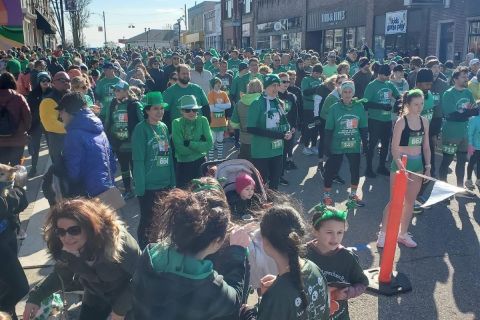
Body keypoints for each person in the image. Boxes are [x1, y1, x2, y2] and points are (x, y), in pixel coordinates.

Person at [132, 188, 249, 320]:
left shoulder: (150, 254)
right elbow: (235, 300)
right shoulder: (211, 288)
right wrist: (237, 252)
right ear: (216, 241)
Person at [22, 198, 141, 320]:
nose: (66, 237)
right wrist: (36, 297)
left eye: (74, 230)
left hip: (130, 300)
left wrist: (119, 312)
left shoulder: (120, 245)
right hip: (95, 295)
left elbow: (139, 281)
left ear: (90, 228)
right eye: (60, 231)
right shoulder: (66, 248)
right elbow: (62, 275)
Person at [253, 205, 330, 319]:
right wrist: (278, 284)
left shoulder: (277, 296)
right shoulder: (314, 268)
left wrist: (249, 311)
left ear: (266, 242)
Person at [377, 89, 431, 248]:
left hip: (418, 166)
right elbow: (394, 148)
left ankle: (403, 234)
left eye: (421, 104)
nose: (419, 107)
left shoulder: (424, 121)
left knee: (409, 202)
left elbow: (426, 146)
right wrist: (401, 166)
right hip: (401, 166)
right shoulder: (401, 122)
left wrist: (428, 167)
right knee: (395, 201)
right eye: (416, 104)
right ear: (407, 104)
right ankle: (383, 234)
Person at [306, 204, 369, 320]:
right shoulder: (303, 254)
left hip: (339, 316)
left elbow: (362, 282)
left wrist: (349, 292)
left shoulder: (347, 258)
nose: (335, 238)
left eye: (340, 232)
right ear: (315, 231)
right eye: (329, 232)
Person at [132, 91, 175, 249]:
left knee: (161, 220)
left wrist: (172, 180)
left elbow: (168, 156)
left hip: (164, 184)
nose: (160, 112)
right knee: (147, 221)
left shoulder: (163, 127)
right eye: (156, 108)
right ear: (147, 110)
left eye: (161, 108)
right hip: (149, 186)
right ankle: (144, 250)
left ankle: (156, 247)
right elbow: (138, 160)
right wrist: (140, 187)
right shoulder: (140, 129)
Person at [57, 92, 116, 197]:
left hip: (89, 193)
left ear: (68, 111)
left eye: (61, 112)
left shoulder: (73, 135)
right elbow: (112, 162)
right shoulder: (98, 128)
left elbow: (73, 172)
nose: (60, 116)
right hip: (107, 187)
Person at [322, 81, 368, 207]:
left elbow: (363, 126)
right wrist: (326, 146)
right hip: (337, 144)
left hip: (353, 144)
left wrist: (365, 143)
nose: (347, 94)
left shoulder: (359, 107)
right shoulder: (334, 108)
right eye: (345, 92)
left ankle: (353, 196)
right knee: (331, 170)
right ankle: (327, 196)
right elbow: (328, 129)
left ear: (353, 93)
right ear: (340, 93)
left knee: (355, 170)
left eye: (350, 92)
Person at [247, 74, 292, 190]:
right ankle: (259, 206)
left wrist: (288, 131)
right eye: (273, 85)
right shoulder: (256, 103)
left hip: (277, 150)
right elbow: (251, 129)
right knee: (260, 184)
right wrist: (278, 135)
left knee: (275, 183)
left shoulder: (278, 102)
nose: (276, 88)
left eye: (278, 85)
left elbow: (285, 122)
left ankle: (273, 205)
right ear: (265, 87)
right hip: (261, 151)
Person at [439, 67, 478, 192]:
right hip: (451, 133)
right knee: (447, 160)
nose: (466, 79)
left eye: (466, 76)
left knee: (461, 161)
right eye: (463, 77)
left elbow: (476, 111)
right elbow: (451, 115)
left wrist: (464, 113)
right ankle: (443, 189)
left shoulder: (468, 93)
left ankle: (460, 188)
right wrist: (467, 113)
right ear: (455, 79)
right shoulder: (448, 93)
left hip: (464, 133)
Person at [104, 80, 143, 200]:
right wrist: (107, 137)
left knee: (135, 168)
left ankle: (139, 189)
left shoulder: (134, 104)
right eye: (114, 90)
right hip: (119, 144)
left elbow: (142, 122)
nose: (115, 92)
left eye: (118, 90)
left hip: (133, 144)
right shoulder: (112, 103)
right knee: (124, 168)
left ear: (126, 91)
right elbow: (108, 121)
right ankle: (128, 190)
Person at [0, 167, 29, 320]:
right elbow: (4, 205)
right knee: (19, 287)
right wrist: (19, 189)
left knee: (6, 287)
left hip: (6, 233)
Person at [363, 64, 401, 178]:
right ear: (379, 74)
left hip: (387, 120)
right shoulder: (372, 85)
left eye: (388, 75)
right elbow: (366, 102)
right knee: (372, 145)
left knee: (385, 144)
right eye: (385, 76)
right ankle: (368, 168)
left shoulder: (389, 84)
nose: (387, 78)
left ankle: (381, 167)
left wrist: (397, 105)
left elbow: (399, 96)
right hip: (375, 120)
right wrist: (381, 106)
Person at [172, 95, 213, 188]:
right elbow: (180, 149)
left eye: (194, 110)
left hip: (201, 163)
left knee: (203, 194)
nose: (191, 112)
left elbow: (210, 144)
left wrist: (190, 144)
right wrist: (201, 145)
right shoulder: (176, 123)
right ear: (181, 111)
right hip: (184, 166)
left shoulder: (203, 120)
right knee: (185, 195)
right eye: (187, 110)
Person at [163, 64, 210, 129]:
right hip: (179, 131)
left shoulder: (197, 88)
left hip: (198, 129)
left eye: (187, 73)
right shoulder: (169, 92)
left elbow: (206, 108)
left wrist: (206, 127)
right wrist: (170, 130)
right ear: (178, 74)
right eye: (183, 73)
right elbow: (164, 113)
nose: (186, 75)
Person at [39, 71, 70, 167]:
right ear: (53, 83)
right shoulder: (48, 100)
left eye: (68, 80)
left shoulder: (70, 96)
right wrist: (73, 128)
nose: (66, 82)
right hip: (58, 143)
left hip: (72, 142)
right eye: (62, 80)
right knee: (61, 173)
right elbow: (50, 125)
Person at [0, 72, 31, 166]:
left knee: (1, 170)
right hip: (18, 140)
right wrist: (23, 130)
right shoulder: (19, 98)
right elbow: (28, 119)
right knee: (16, 168)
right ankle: (15, 181)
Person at [231, 78, 263, 161]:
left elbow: (234, 124)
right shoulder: (264, 101)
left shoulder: (240, 103)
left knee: (246, 168)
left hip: (245, 141)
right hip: (262, 141)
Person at [26, 72, 51, 176]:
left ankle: (55, 167)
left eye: (47, 80)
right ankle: (34, 167)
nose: (45, 82)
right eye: (43, 80)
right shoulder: (33, 94)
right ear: (38, 82)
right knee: (35, 148)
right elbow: (29, 110)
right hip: (36, 124)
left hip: (49, 123)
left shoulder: (53, 92)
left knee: (52, 146)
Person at [278, 72, 299, 174]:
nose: (287, 83)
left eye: (288, 81)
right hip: (276, 129)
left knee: (286, 149)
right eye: (284, 81)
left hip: (289, 128)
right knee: (278, 152)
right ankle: (277, 175)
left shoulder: (291, 96)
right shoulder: (274, 95)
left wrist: (294, 125)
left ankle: (281, 172)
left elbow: (295, 111)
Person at [301, 64, 323, 155]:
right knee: (309, 127)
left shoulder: (320, 80)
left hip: (317, 108)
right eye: (316, 73)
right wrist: (317, 88)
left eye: (319, 73)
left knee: (316, 127)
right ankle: (306, 147)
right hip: (308, 107)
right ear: (313, 72)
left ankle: (314, 146)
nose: (317, 75)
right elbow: (305, 92)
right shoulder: (306, 79)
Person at [207, 77, 231, 160]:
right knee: (212, 141)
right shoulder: (210, 94)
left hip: (222, 121)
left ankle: (220, 158)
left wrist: (217, 105)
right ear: (213, 84)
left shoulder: (224, 94)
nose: (218, 85)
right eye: (216, 83)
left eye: (219, 83)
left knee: (220, 140)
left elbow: (229, 105)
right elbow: (211, 108)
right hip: (213, 122)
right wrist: (222, 107)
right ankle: (211, 159)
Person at [466, 111, 480, 190]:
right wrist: (470, 145)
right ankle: (468, 180)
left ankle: (478, 180)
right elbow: (470, 133)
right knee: (471, 163)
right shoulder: (474, 120)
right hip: (475, 147)